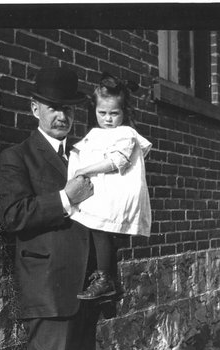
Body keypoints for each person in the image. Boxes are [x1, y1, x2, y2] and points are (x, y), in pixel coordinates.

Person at [0, 67, 101, 350]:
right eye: (54, 107)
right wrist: (66, 197)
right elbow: (12, 215)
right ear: (34, 108)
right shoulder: (17, 157)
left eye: (67, 108)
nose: (62, 116)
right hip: (49, 295)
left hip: (86, 292)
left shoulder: (85, 156)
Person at [68, 72, 152, 301]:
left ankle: (105, 278)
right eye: (102, 113)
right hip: (105, 190)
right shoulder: (96, 133)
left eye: (114, 113)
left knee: (100, 226)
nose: (107, 119)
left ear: (124, 113)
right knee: (98, 228)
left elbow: (118, 161)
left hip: (119, 190)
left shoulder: (125, 133)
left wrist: (85, 170)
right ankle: (109, 278)